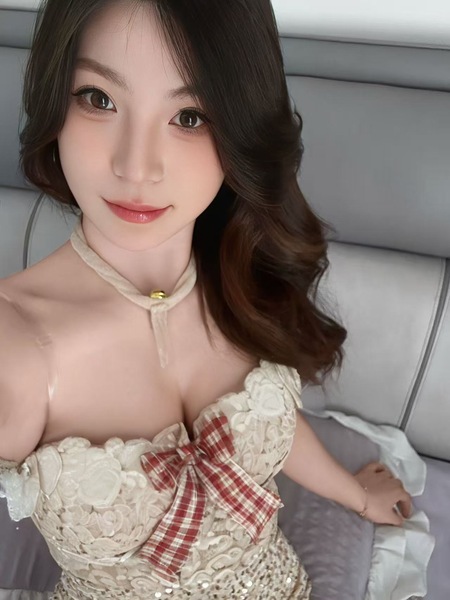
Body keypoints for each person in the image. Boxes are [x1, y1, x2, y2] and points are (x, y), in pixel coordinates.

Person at [0, 0, 412, 598]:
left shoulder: (234, 270)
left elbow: (262, 423)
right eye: (98, 98)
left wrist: (356, 494)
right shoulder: (17, 344)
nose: (137, 167)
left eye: (189, 116)